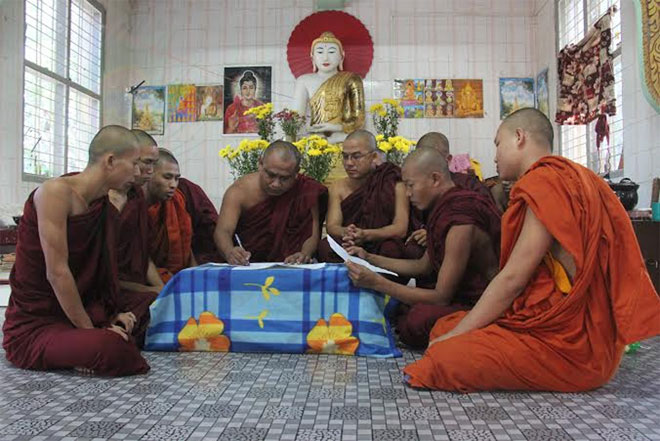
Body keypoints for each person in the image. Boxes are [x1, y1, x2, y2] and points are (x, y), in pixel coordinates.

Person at [403, 108, 660, 392]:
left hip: (572, 347)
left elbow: (512, 279)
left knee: (443, 356)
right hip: (580, 335)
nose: (495, 157)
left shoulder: (546, 182)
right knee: (444, 327)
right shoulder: (576, 177)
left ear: (519, 137)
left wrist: (456, 337)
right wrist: (456, 331)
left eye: (498, 144)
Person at [2, 125, 157, 376]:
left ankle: (86, 340)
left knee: (151, 306)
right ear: (110, 161)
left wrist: (111, 314)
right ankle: (85, 341)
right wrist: (93, 330)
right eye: (135, 164)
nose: (139, 172)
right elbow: (57, 273)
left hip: (80, 309)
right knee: (113, 348)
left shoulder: (101, 205)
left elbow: (101, 274)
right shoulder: (55, 192)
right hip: (37, 324)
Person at [346, 147, 501, 348]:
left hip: (486, 303)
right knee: (404, 309)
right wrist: (368, 257)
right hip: (460, 297)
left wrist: (377, 283)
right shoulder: (443, 207)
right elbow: (423, 266)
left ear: (435, 179)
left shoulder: (460, 219)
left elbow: (441, 298)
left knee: (416, 321)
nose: (408, 194)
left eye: (411, 185)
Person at [214, 140, 328, 264]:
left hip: (293, 266)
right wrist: (229, 251)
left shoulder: (306, 190)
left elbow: (311, 232)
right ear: (260, 164)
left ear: (296, 173)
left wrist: (304, 254)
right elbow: (223, 231)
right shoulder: (239, 192)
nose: (276, 184)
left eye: (285, 178)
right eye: (271, 175)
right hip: (251, 264)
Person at [405, 132, 497, 269]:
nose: (426, 164)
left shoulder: (469, 185)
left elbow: (486, 224)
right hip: (428, 253)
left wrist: (435, 234)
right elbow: (414, 223)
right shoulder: (418, 188)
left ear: (448, 160)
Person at [318, 130, 409, 262]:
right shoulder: (337, 187)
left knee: (392, 249)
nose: (349, 163)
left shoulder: (394, 183)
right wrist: (348, 232)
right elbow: (332, 226)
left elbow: (400, 228)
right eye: (345, 156)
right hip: (350, 243)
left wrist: (367, 235)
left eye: (356, 156)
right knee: (325, 246)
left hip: (380, 242)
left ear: (374, 157)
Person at [108, 129, 163, 294]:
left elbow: (142, 253)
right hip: (100, 290)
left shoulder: (136, 197)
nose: (151, 170)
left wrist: (161, 289)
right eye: (146, 162)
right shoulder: (96, 197)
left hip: (130, 286)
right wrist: (148, 290)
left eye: (154, 163)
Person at [293, 31, 365, 145]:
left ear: (342, 56)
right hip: (315, 140)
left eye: (331, 52)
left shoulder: (352, 79)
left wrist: (335, 127)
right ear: (312, 57)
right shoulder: (303, 80)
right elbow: (295, 118)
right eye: (320, 52)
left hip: (343, 140)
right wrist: (306, 128)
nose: (326, 57)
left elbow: (359, 119)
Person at [146, 149, 197, 282]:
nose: (173, 185)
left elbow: (185, 243)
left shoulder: (176, 201)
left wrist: (195, 274)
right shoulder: (135, 206)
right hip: (147, 277)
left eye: (177, 178)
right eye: (167, 177)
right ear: (149, 174)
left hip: (176, 275)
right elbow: (139, 255)